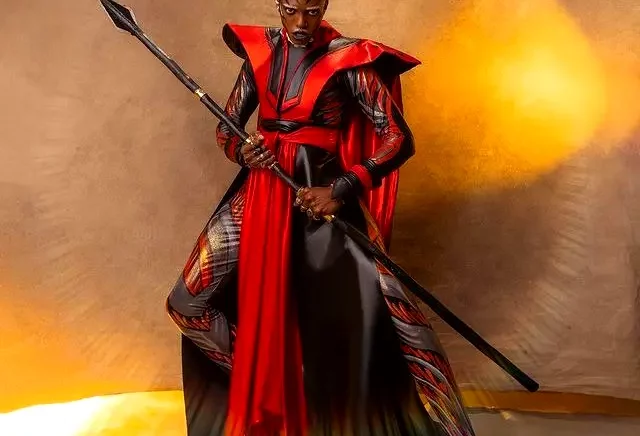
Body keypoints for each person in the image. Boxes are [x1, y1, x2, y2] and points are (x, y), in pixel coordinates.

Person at [166, 1, 475, 435]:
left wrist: (342, 188)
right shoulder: (260, 53)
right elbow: (227, 126)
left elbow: (397, 138)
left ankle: (427, 422)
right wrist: (241, 149)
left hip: (322, 200)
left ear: (324, 5)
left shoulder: (347, 60)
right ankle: (275, 391)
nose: (300, 23)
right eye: (291, 10)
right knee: (186, 303)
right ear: (278, 4)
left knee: (387, 316)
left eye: (311, 11)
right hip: (258, 195)